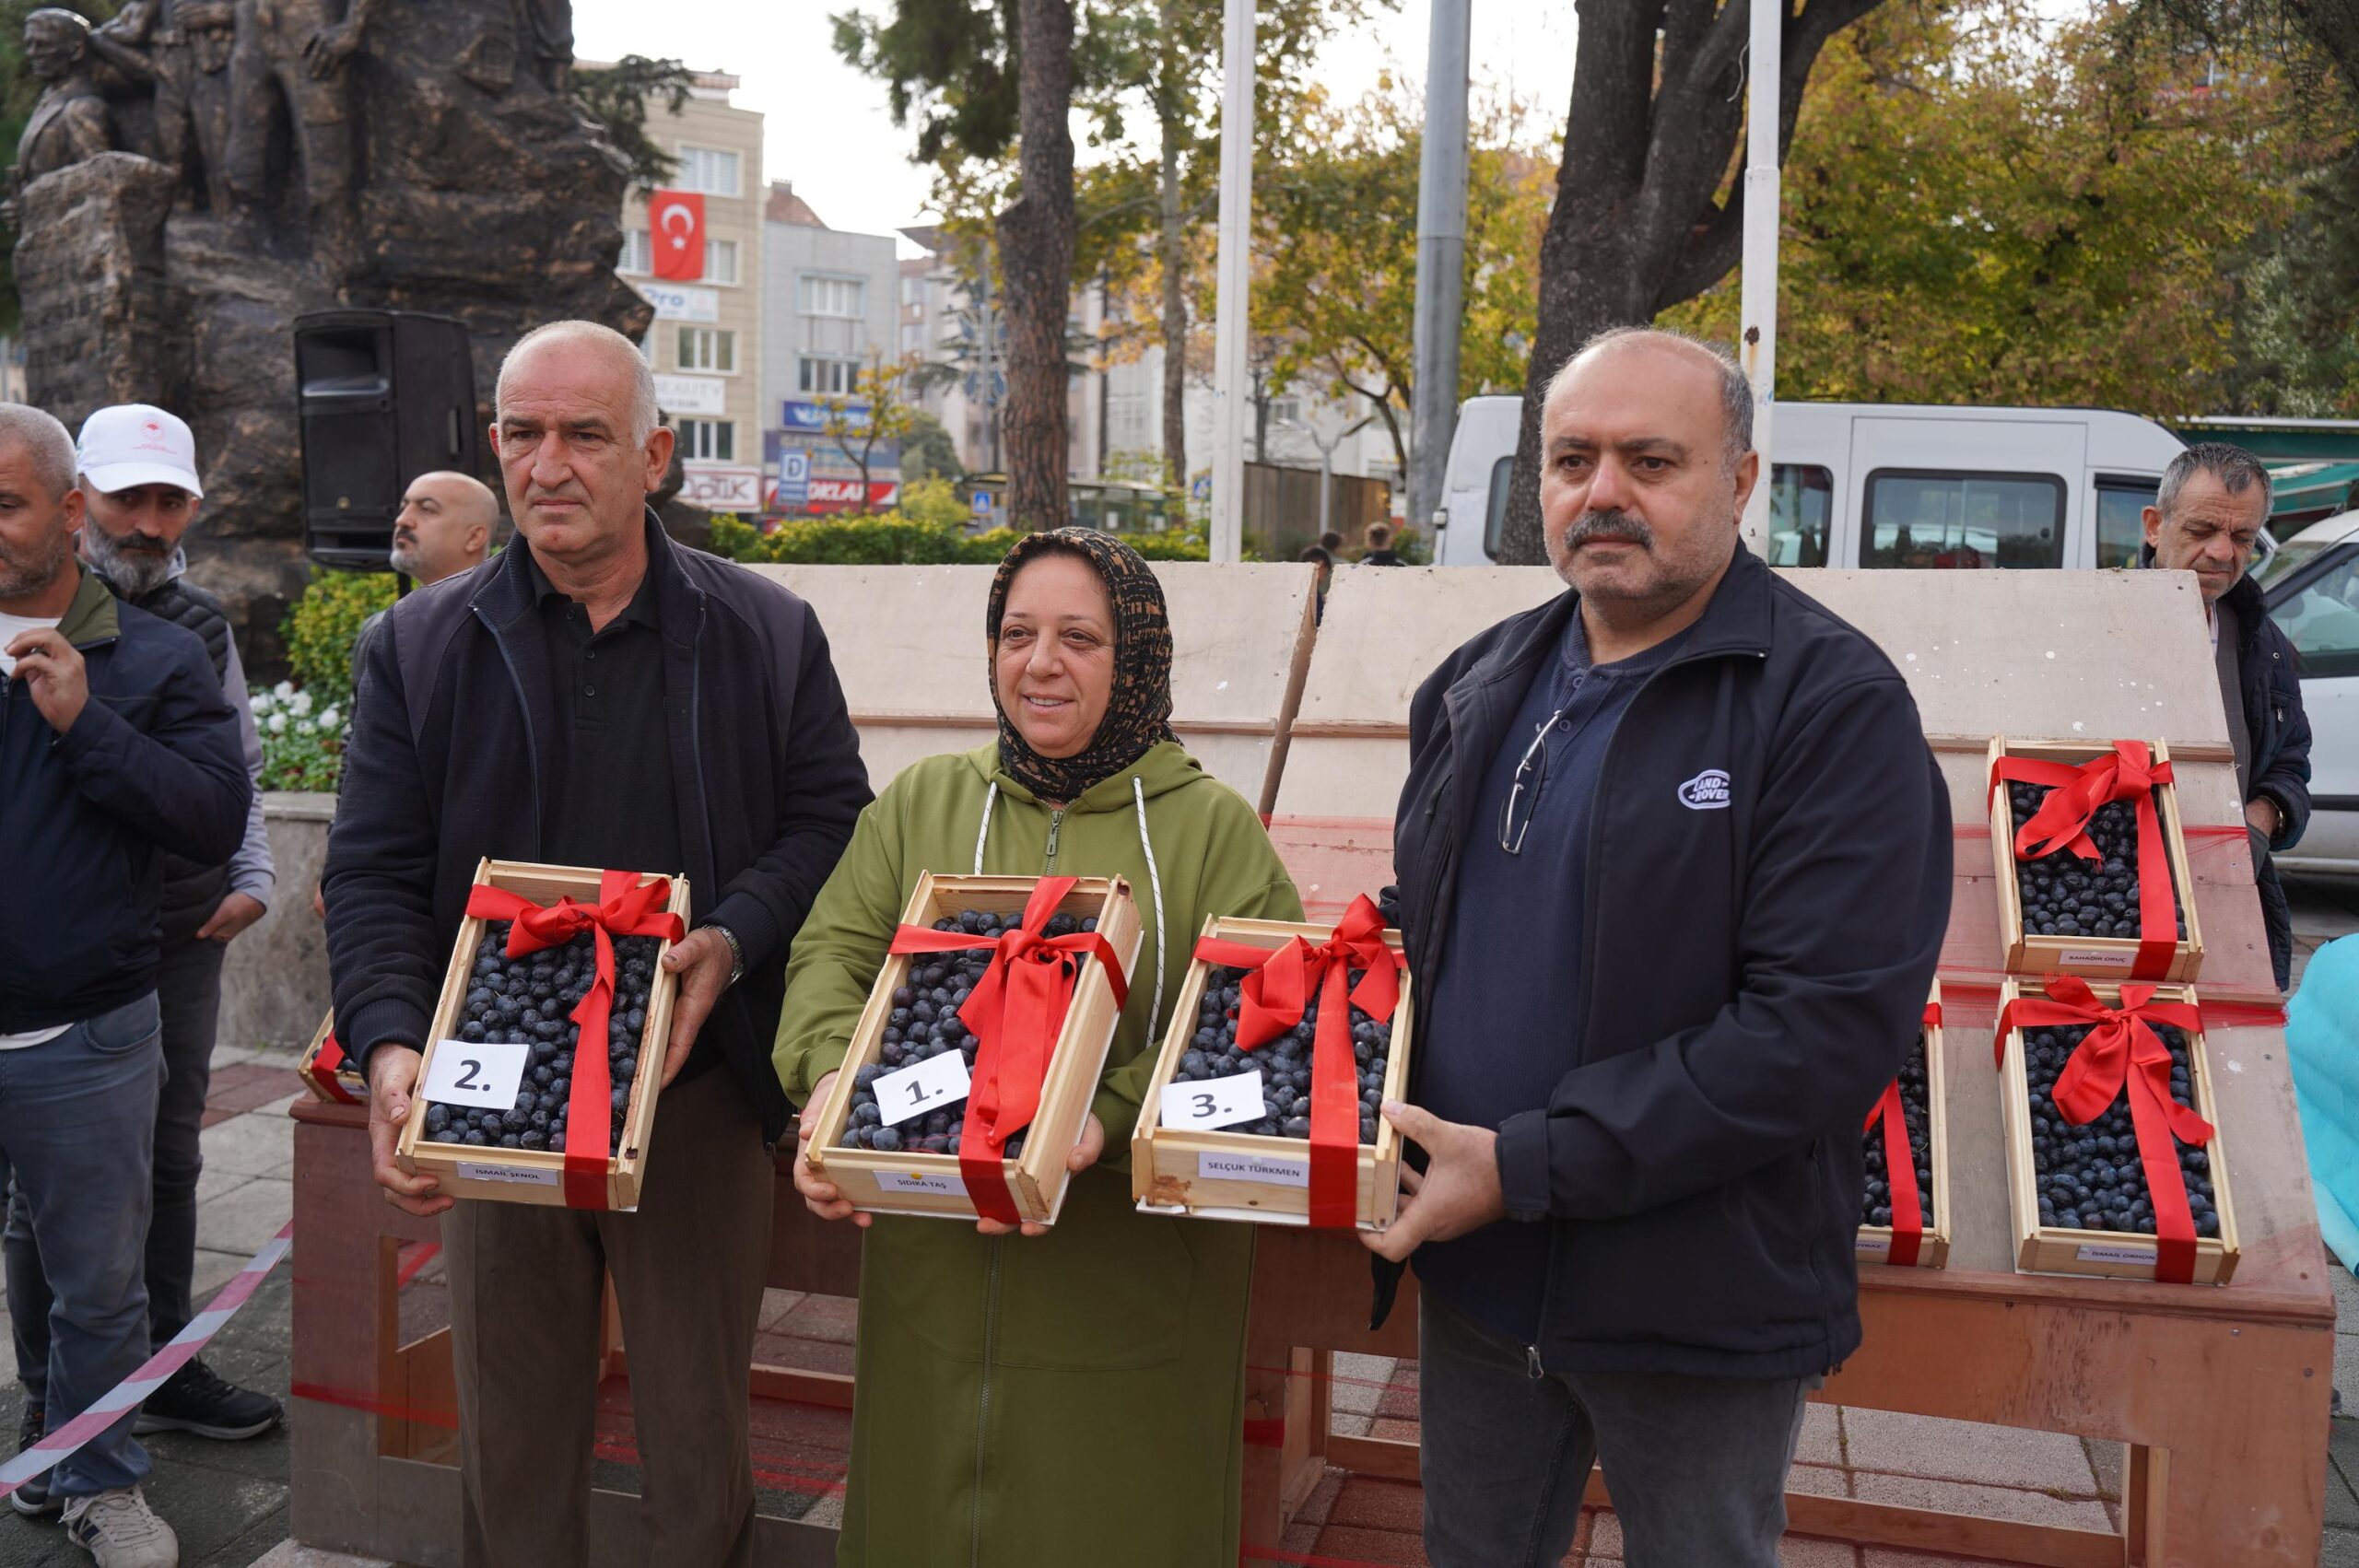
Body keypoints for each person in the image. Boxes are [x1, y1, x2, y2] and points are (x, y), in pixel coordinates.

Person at [1367, 328, 1950, 1568]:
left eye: (1651, 459)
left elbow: (1820, 1031)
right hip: (1479, 1271)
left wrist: (1528, 1164)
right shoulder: (1477, 683)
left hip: (1693, 1299)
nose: (1604, 493)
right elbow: (1439, 924)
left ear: (1739, 480)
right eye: (1573, 459)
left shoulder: (1831, 704)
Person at [323, 321, 870, 1567]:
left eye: (584, 434)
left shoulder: (767, 632)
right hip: (488, 1088)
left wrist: (734, 936)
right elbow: (373, 873)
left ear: (656, 455)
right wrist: (392, 1049)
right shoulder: (414, 649)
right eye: (523, 433)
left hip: (693, 1086)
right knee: (510, 1440)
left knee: (694, 1437)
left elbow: (833, 822)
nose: (548, 464)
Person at [779, 528, 1304, 1566]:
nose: (1040, 663)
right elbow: (828, 953)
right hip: (933, 1272)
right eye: (1016, 633)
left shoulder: (1212, 830)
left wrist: (1099, 1117)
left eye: (1079, 637)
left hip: (1127, 1289)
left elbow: (1262, 1031)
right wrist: (834, 1080)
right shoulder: (925, 801)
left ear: (1138, 657)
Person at [6, 405, 281, 1498]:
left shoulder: (177, 639)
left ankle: (125, 1405)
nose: (152, 521)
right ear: (89, 505)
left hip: (137, 967)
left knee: (141, 1189)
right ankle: (53, 1412)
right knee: (51, 1217)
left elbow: (228, 784)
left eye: (172, 501)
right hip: (72, 965)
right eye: (135, 497)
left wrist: (249, 878)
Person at [2139, 441, 2309, 991]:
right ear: (2154, 525)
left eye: (2242, 538)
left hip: (2228, 907)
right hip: (2099, 902)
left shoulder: (2268, 646)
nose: (2221, 552)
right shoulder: (2087, 624)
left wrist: (2255, 828)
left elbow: (2290, 766)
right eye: (2202, 529)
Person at [347, 469, 498, 687]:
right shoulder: (381, 630)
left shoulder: (508, 628)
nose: (402, 520)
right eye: (403, 507)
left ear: (474, 537)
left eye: (426, 509)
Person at [1297, 541, 1333, 623]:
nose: (1325, 574)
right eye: (1326, 570)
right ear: (1320, 565)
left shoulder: (1298, 590)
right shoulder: (1313, 594)